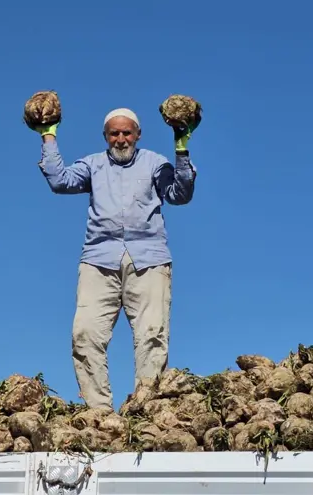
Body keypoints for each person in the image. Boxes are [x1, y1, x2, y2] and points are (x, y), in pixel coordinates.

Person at [34, 108, 198, 410]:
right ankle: (99, 414)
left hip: (149, 260)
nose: (121, 139)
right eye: (114, 133)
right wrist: (48, 135)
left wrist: (181, 147)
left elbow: (180, 194)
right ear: (105, 136)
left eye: (126, 133)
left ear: (138, 135)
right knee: (85, 333)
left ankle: (147, 408)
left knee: (152, 336)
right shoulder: (92, 165)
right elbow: (60, 181)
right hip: (99, 260)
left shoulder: (155, 163)